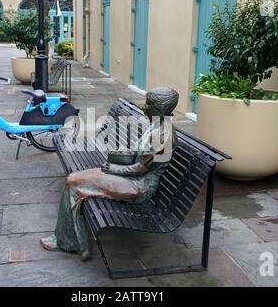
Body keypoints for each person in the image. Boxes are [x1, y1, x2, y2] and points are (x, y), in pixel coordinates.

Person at [40, 87, 179, 261]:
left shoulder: (163, 135)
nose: (144, 107)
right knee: (73, 179)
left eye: (148, 104)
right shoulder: (158, 125)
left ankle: (72, 243)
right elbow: (139, 156)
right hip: (130, 178)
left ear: (159, 109)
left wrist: (112, 168)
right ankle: (69, 240)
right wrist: (120, 154)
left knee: (73, 184)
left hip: (139, 187)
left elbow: (141, 169)